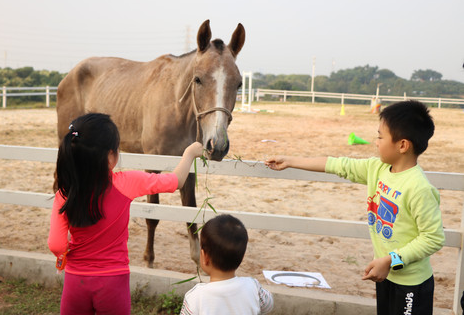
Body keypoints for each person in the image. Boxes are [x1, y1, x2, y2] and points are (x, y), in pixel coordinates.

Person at [265, 100, 445, 315]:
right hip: (385, 274)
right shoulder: (377, 168)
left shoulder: (418, 188)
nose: (376, 142)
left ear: (402, 145)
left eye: (380, 136)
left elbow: (433, 238)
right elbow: (337, 165)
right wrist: (291, 161)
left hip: (411, 283)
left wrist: (390, 260)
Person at [48, 113, 203, 315]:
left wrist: (63, 257)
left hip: (75, 280)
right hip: (113, 280)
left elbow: (56, 245)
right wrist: (190, 153)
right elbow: (175, 181)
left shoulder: (64, 193)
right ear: (110, 156)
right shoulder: (126, 182)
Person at [180, 214, 274, 315]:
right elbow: (268, 305)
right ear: (241, 257)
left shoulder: (195, 297)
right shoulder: (253, 287)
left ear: (204, 257)